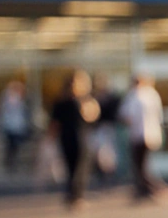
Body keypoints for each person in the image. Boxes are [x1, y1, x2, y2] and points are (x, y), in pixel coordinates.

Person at [48, 70, 100, 208]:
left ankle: (73, 195)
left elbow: (54, 124)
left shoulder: (64, 101)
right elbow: (90, 118)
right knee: (79, 169)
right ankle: (76, 195)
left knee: (73, 169)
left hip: (69, 138)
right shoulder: (78, 101)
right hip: (78, 139)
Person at [120, 74, 164, 200]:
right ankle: (146, 187)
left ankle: (147, 187)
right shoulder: (152, 94)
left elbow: (127, 116)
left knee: (140, 164)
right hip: (150, 134)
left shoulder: (134, 95)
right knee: (144, 163)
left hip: (139, 135)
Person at [90, 74, 122, 181]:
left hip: (108, 128)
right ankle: (101, 172)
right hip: (99, 128)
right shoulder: (94, 98)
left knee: (109, 152)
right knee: (99, 151)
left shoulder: (112, 99)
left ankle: (109, 172)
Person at [0, 80, 31, 174]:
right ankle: (11, 164)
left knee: (13, 147)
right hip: (11, 127)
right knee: (12, 146)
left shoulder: (17, 100)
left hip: (15, 127)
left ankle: (12, 164)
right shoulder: (10, 99)